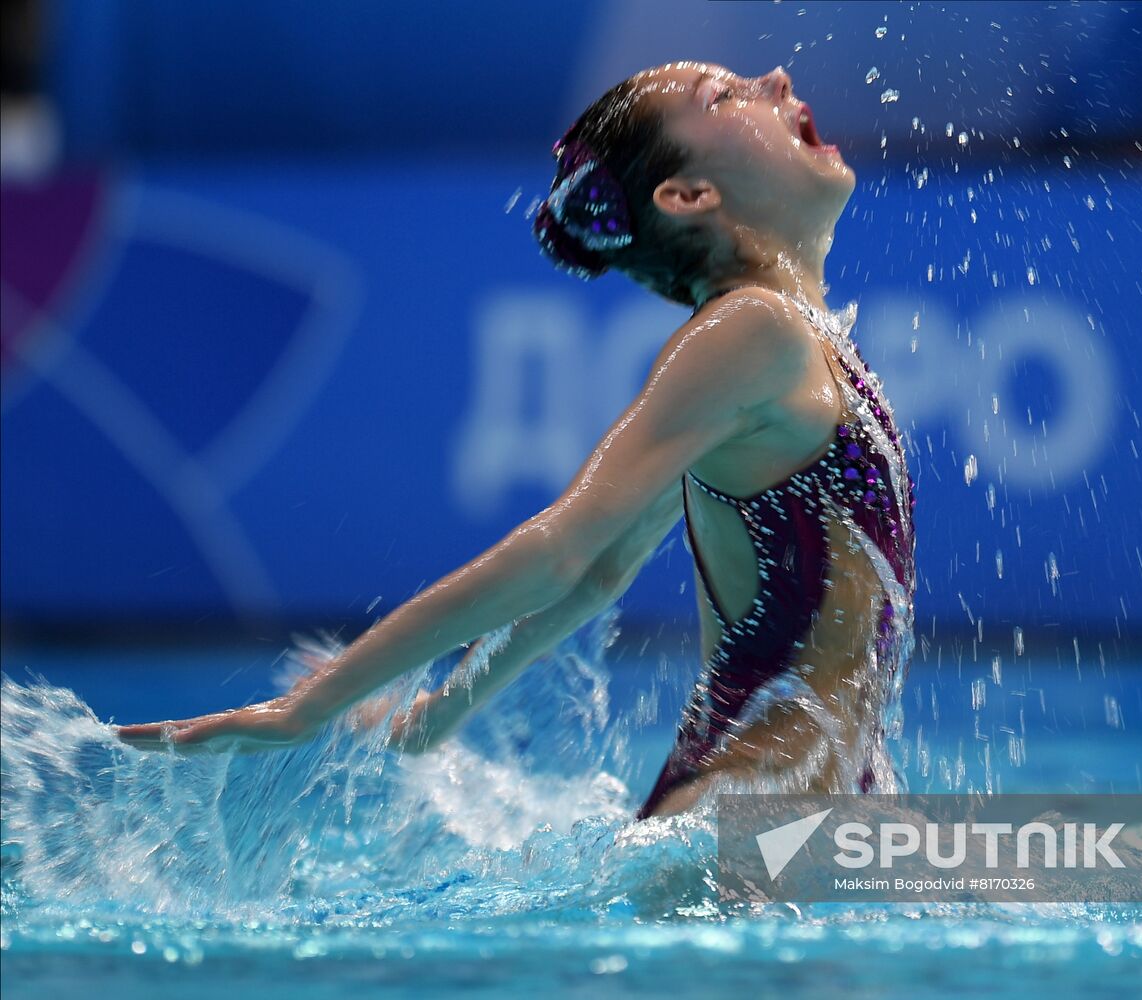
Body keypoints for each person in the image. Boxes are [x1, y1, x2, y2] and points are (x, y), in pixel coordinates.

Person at [117, 62, 916, 819]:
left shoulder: (797, 342)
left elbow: (602, 570)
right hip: (745, 825)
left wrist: (438, 712)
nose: (773, 79)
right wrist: (310, 707)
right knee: (1027, 862)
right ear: (689, 194)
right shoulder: (751, 329)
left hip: (800, 821)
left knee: (1022, 861)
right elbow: (563, 550)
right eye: (723, 96)